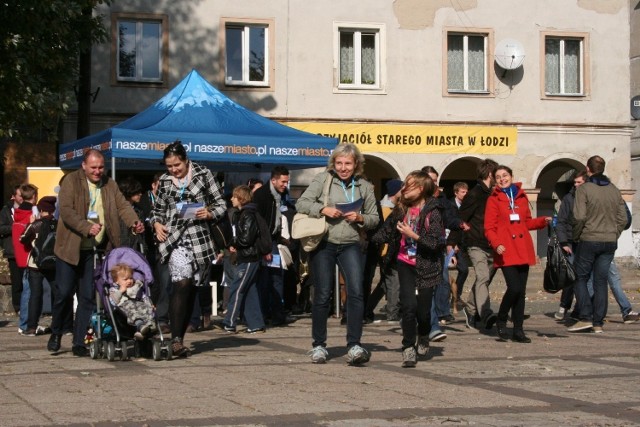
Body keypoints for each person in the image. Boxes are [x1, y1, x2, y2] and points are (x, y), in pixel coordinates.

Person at [47, 149, 144, 357]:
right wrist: (85, 227)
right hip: (69, 248)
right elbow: (66, 211)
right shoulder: (71, 182)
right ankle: (56, 331)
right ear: (84, 166)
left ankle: (79, 341)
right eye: (93, 167)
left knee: (87, 297)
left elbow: (123, 206)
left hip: (94, 250)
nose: (97, 171)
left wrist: (134, 222)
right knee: (63, 293)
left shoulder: (109, 184)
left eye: (101, 167)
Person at [296, 143, 379, 365]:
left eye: (348, 164)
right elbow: (302, 202)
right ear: (334, 163)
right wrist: (323, 209)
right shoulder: (323, 179)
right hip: (325, 241)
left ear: (356, 165)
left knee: (356, 292)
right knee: (322, 294)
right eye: (339, 163)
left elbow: (374, 218)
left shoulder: (365, 186)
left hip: (351, 243)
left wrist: (360, 218)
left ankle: (354, 344)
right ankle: (319, 345)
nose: (343, 168)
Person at [150, 141, 227, 356]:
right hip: (175, 239)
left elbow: (221, 204)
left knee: (192, 288)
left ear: (186, 160)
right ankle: (175, 339)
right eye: (169, 166)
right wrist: (156, 224)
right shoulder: (165, 181)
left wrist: (209, 213)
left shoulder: (204, 174)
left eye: (177, 165)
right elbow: (157, 211)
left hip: (200, 240)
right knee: (181, 283)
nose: (174, 170)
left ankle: (180, 336)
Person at [372, 171, 445, 367]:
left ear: (421, 189)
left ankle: (423, 335)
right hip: (405, 263)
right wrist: (365, 238)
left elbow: (435, 242)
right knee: (408, 307)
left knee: (423, 312)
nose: (403, 189)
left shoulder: (433, 211)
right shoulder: (401, 209)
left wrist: (414, 235)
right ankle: (407, 347)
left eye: (409, 185)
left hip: (427, 265)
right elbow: (384, 232)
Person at [484, 165, 550, 343]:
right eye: (498, 177)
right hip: (505, 249)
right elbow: (489, 228)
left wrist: (543, 221)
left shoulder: (521, 196)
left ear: (511, 176)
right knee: (514, 288)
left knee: (520, 292)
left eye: (505, 175)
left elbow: (527, 223)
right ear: (495, 180)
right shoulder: (493, 199)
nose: (502, 179)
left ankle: (518, 330)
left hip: (522, 247)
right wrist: (496, 243)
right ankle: (502, 318)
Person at [568, 155, 628, 333]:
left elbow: (578, 216)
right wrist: (614, 234)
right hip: (609, 241)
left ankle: (585, 316)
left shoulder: (584, 189)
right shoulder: (614, 189)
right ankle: (598, 322)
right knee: (601, 281)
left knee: (580, 277)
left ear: (588, 169)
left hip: (589, 238)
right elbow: (623, 218)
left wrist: (577, 236)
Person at [458, 158, 499, 330]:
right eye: (496, 174)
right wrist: (455, 242)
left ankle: (470, 308)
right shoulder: (475, 194)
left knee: (484, 279)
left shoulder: (492, 194)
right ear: (490, 174)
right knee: (483, 276)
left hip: (491, 243)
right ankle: (486, 313)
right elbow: (460, 217)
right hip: (475, 242)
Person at [252, 166, 295, 327]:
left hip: (274, 240)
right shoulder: (261, 195)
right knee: (264, 279)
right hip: (265, 242)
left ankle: (278, 314)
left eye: (287, 182)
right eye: (283, 182)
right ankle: (263, 314)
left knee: (277, 277)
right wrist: (265, 246)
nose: (285, 185)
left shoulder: (281, 194)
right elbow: (259, 222)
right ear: (273, 180)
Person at [222, 185, 266, 334]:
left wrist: (235, 244)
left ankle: (230, 322)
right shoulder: (245, 213)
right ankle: (256, 323)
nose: (231, 199)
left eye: (234, 197)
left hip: (248, 257)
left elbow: (246, 238)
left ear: (241, 198)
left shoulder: (247, 214)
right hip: (248, 256)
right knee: (249, 290)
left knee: (237, 288)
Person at [364, 178, 403, 323]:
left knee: (385, 283)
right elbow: (384, 232)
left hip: (391, 250)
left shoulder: (395, 207)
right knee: (393, 281)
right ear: (395, 192)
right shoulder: (385, 209)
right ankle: (392, 313)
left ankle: (368, 308)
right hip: (386, 250)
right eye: (401, 189)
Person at [20, 196, 57, 336]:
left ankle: (31, 328)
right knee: (57, 293)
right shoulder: (59, 224)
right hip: (54, 263)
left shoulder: (36, 224)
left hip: (35, 264)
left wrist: (31, 224)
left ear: (41, 210)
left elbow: (22, 239)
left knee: (35, 294)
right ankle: (58, 326)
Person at [554, 170, 587, 320]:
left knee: (585, 277)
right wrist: (564, 242)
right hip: (571, 242)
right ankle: (564, 305)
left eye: (579, 182)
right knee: (571, 275)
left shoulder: (590, 197)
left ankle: (581, 309)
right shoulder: (569, 198)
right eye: (575, 182)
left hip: (587, 242)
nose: (575, 184)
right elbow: (561, 221)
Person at [12, 184, 39, 335]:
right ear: (34, 196)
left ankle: (25, 322)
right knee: (29, 291)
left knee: (27, 290)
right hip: (29, 256)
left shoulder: (17, 212)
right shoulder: (31, 212)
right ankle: (25, 324)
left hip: (21, 256)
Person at [108, 263, 156, 340]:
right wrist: (120, 291)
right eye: (125, 279)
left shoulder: (136, 287)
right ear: (116, 281)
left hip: (139, 306)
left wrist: (150, 305)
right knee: (131, 306)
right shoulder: (114, 290)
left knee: (147, 307)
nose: (129, 281)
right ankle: (140, 325)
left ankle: (146, 329)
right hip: (124, 310)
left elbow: (144, 297)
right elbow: (113, 302)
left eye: (130, 278)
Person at [0, 185, 24, 314]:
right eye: (20, 195)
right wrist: (16, 227)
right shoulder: (5, 211)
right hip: (13, 251)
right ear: (13, 197)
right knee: (17, 280)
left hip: (27, 250)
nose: (22, 198)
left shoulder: (30, 209)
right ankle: (18, 307)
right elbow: (1, 228)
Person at [450, 181, 470, 304]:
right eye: (463, 192)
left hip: (463, 242)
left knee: (464, 270)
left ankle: (456, 295)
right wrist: (452, 243)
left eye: (467, 191)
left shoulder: (467, 205)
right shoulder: (450, 205)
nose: (465, 194)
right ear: (456, 193)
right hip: (451, 242)